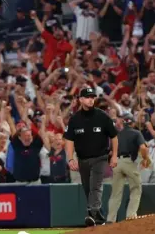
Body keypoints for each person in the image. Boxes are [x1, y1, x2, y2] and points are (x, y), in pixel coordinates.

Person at [63, 88, 119, 226]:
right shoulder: (75, 119)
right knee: (87, 188)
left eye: (92, 97)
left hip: (100, 157)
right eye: (87, 97)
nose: (91, 99)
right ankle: (99, 218)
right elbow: (69, 140)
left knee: (95, 186)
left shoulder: (102, 116)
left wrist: (114, 156)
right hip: (82, 159)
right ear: (80, 100)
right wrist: (70, 158)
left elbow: (114, 136)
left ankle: (91, 213)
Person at [107, 114, 151, 223]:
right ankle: (130, 216)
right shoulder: (136, 133)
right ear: (132, 123)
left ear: (124, 123)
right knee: (136, 188)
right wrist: (145, 159)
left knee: (115, 193)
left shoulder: (117, 135)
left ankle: (110, 219)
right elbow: (143, 148)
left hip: (117, 162)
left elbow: (111, 152)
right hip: (129, 162)